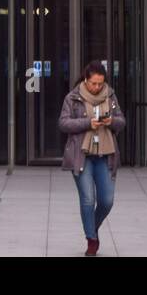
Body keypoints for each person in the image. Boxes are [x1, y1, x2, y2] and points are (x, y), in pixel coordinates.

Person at [58, 61, 126, 256]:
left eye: (100, 83)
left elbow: (122, 121)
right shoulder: (73, 97)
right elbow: (63, 123)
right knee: (88, 200)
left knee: (106, 201)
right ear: (86, 80)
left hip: (105, 155)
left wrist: (112, 121)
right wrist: (88, 123)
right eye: (93, 83)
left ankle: (92, 228)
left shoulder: (110, 96)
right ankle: (92, 240)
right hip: (82, 156)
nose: (97, 87)